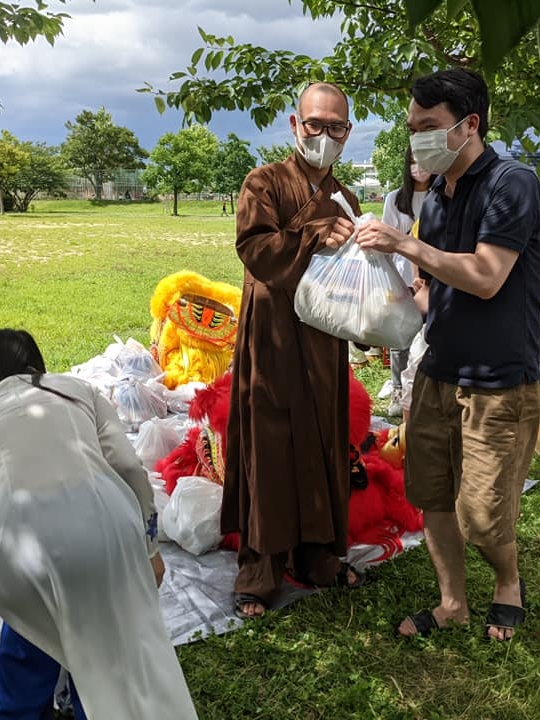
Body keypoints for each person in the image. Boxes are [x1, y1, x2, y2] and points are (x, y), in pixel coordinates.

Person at [0, 329, 199, 720]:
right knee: (104, 649)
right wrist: (150, 548)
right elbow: (128, 466)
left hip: (18, 548)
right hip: (105, 532)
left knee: (29, 645)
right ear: (36, 363)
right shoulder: (79, 390)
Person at [342, 69, 540, 642]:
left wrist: (404, 242)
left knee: (482, 515)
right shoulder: (435, 197)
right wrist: (376, 310)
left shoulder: (512, 184)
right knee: (431, 494)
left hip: (497, 381)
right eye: (412, 128)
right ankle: (452, 601)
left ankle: (507, 582)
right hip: (436, 372)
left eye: (428, 126)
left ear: (469, 125)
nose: (417, 139)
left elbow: (485, 276)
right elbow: (430, 290)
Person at [221, 82, 365, 620]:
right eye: (314, 124)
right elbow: (256, 250)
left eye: (335, 127)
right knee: (271, 443)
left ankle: (317, 556)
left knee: (323, 441)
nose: (324, 135)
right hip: (274, 334)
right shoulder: (263, 183)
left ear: (347, 132)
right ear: (294, 124)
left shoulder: (346, 198)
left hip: (324, 338)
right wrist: (312, 234)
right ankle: (260, 569)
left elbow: (352, 272)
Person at [380, 148, 436, 418]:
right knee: (399, 338)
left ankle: (421, 392)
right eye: (413, 162)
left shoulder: (440, 196)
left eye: (423, 161)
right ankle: (398, 389)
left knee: (426, 336)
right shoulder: (395, 199)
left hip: (429, 279)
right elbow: (387, 241)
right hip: (400, 278)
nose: (418, 167)